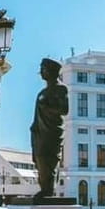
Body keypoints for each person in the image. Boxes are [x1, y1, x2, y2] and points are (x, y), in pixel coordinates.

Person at [30, 58, 68, 199]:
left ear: (52, 72)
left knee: (48, 160)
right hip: (39, 131)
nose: (40, 72)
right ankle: (44, 189)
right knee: (40, 159)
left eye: (43, 69)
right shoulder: (42, 92)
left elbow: (64, 109)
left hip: (52, 131)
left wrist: (48, 108)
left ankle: (48, 190)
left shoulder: (60, 89)